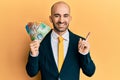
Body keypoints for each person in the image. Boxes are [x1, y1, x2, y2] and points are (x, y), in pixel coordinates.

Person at [26, 1, 96, 80]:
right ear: (51, 18)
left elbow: (90, 72)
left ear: (70, 19)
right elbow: (31, 73)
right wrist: (34, 55)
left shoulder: (80, 42)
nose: (61, 20)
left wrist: (84, 55)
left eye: (65, 16)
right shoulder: (40, 42)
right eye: (57, 16)